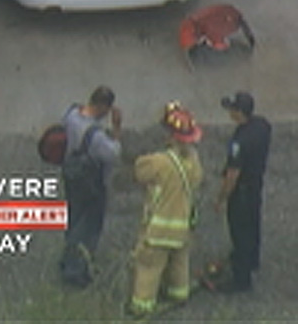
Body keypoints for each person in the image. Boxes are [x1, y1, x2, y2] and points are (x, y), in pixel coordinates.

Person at [127, 102, 203, 318]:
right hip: (183, 227)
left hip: (159, 229)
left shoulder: (159, 162)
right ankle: (178, 293)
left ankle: (142, 305)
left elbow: (140, 172)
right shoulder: (194, 162)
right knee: (179, 262)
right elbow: (197, 180)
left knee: (149, 266)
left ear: (171, 135)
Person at [59, 85, 122, 287]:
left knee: (74, 217)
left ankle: (67, 257)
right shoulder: (96, 136)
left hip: (71, 175)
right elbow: (113, 154)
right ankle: (76, 271)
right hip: (91, 183)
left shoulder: (71, 115)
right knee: (88, 227)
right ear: (103, 106)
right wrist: (117, 129)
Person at [213, 91, 271, 292]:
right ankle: (252, 260)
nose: (229, 112)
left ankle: (241, 279)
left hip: (242, 193)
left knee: (240, 232)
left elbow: (232, 175)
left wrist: (221, 198)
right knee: (253, 226)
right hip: (255, 186)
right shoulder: (262, 126)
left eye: (231, 109)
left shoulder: (240, 141)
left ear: (239, 112)